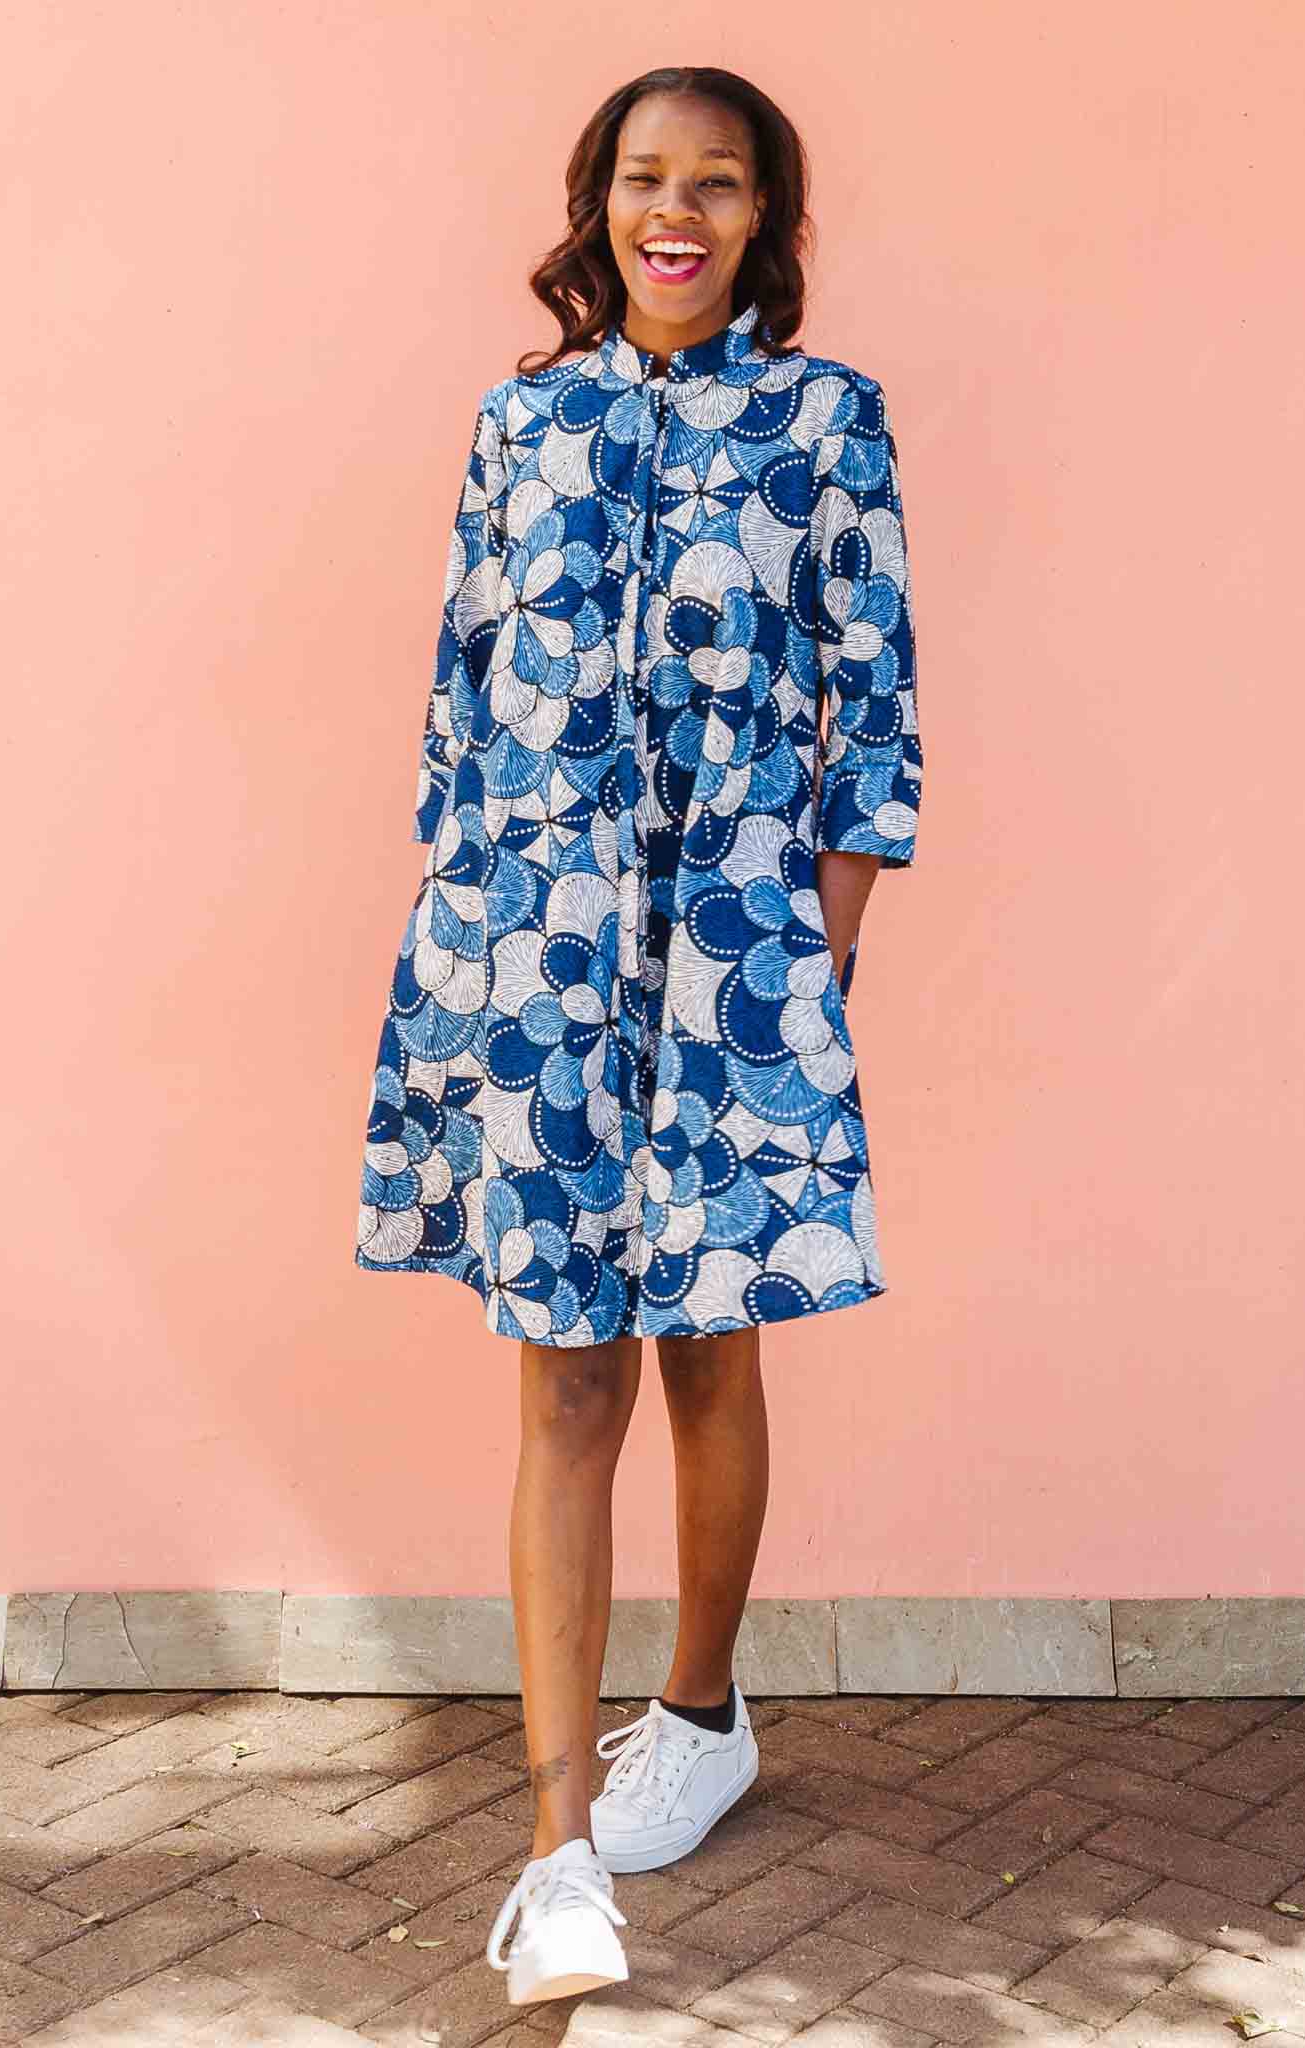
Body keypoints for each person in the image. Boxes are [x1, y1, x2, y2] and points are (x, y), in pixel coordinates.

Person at [354, 63, 922, 2006]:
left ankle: (697, 1711)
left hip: (734, 952)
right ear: (598, 205)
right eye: (644, 179)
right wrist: (470, 937)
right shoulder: (520, 423)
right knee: (565, 1374)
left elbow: (875, 717)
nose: (676, 212)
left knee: (708, 1348)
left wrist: (810, 959)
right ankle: (557, 1852)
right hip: (536, 950)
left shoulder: (828, 422)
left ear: (770, 218)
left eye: (719, 183)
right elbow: (460, 701)